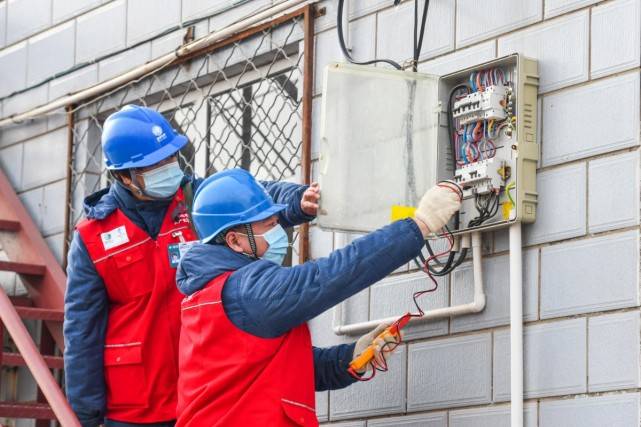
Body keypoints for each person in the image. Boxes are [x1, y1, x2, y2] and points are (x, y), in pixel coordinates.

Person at [63, 105, 320, 427]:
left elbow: (253, 196)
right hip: (134, 405)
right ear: (124, 176)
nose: (168, 168)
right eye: (154, 165)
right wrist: (86, 412)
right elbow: (82, 325)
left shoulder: (198, 200)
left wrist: (298, 201)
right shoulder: (93, 234)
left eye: (171, 158)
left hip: (206, 389)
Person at [175, 168, 461, 426]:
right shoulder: (247, 291)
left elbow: (286, 370)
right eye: (266, 224)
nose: (277, 230)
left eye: (277, 220)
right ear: (234, 240)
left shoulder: (215, 293)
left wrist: (351, 357)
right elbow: (330, 276)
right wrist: (419, 225)